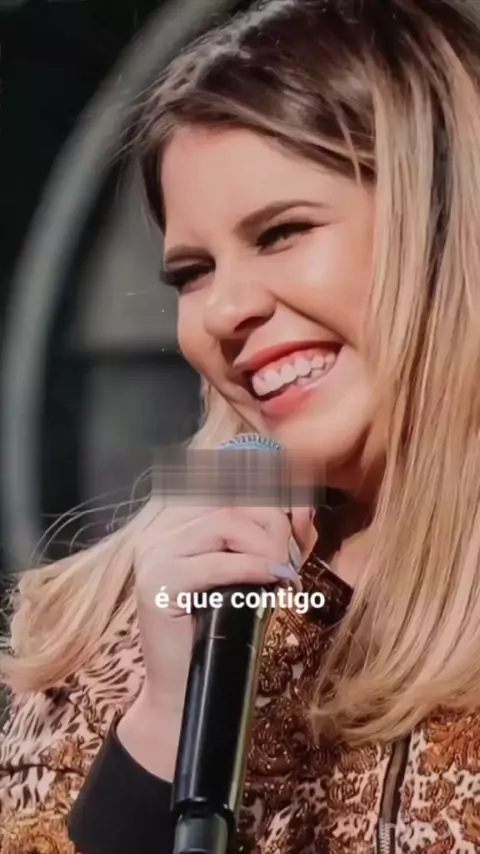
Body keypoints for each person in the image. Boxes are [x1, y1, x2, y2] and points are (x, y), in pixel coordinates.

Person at [1, 0, 480, 851]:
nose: (223, 312)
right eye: (192, 272)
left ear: (445, 230)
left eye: (281, 232)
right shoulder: (88, 632)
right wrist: (161, 725)